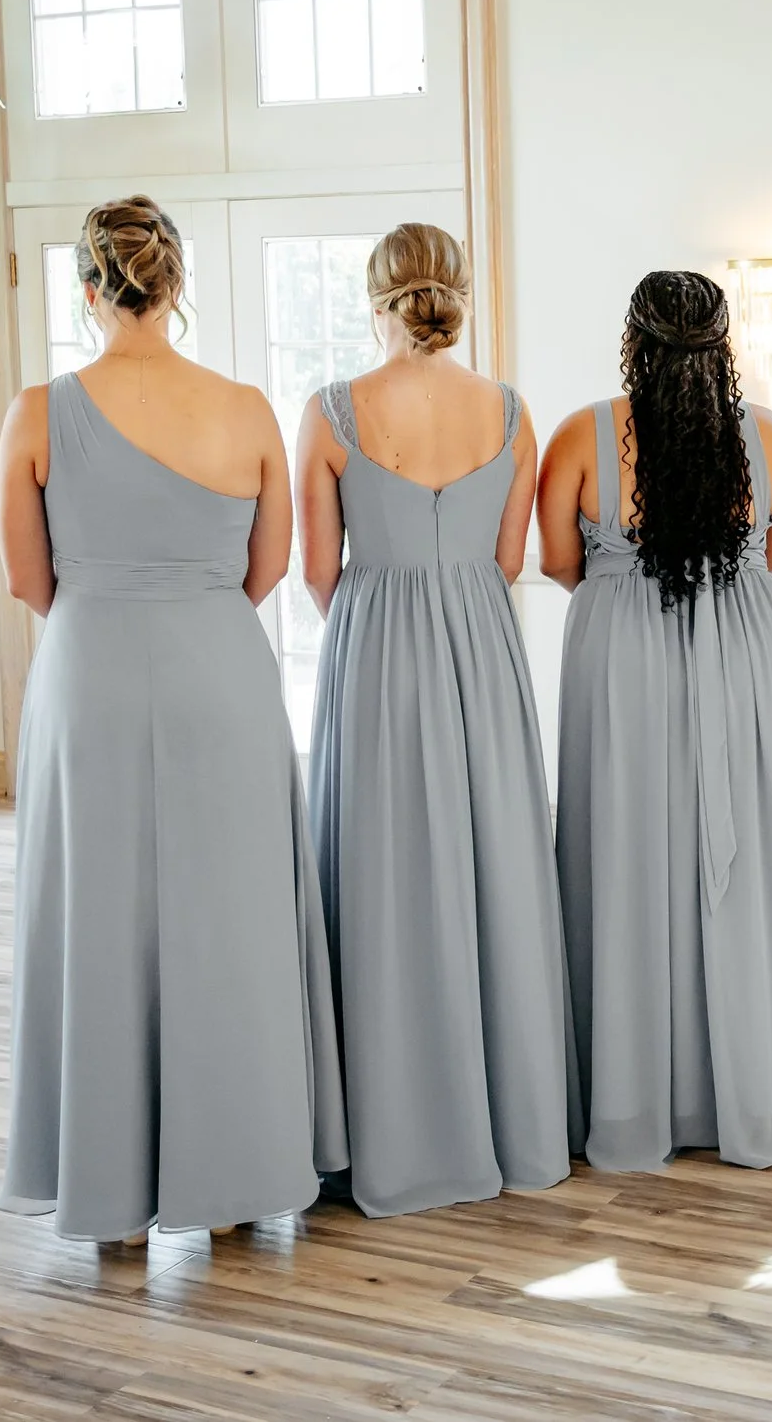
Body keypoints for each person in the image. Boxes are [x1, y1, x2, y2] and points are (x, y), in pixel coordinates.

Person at [0, 196, 345, 1242]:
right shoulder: (245, 408)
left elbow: (26, 577)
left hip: (88, 674)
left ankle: (108, 1202)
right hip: (222, 677)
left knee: (95, 924)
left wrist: (109, 613)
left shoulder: (38, 409)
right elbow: (269, 567)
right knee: (229, 925)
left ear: (87, 289)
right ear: (177, 285)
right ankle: (237, 1185)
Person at [537, 269, 772, 1172]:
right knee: (753, 859)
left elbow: (561, 559)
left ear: (633, 340)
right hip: (748, 652)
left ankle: (639, 1096)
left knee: (631, 849)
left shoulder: (580, 435)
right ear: (724, 345)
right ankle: (758, 1080)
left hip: (622, 655)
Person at [294, 222, 575, 1216]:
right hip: (480, 647)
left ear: (377, 299)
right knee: (490, 859)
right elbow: (508, 559)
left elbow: (319, 571)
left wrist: (385, 617)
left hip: (375, 646)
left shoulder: (331, 411)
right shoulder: (508, 409)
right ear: (454, 293)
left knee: (381, 868)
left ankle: (389, 1129)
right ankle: (506, 1119)